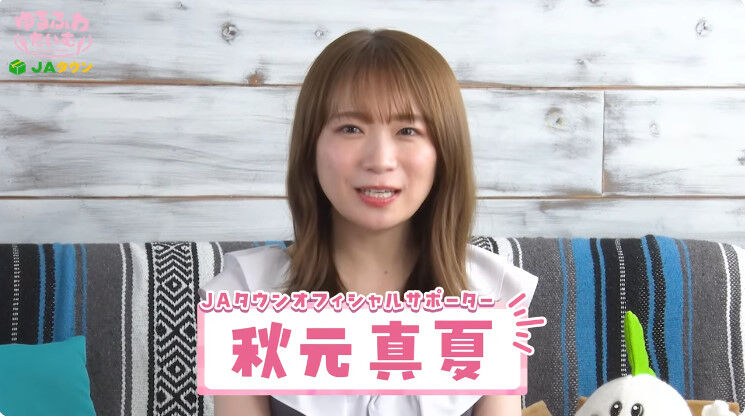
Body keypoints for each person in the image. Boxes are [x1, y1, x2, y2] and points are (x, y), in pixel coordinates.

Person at [199, 28, 539, 416]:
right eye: (351, 128)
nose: (380, 160)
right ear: (311, 147)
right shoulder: (246, 296)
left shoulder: (492, 295)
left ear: (444, 152)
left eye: (408, 130)